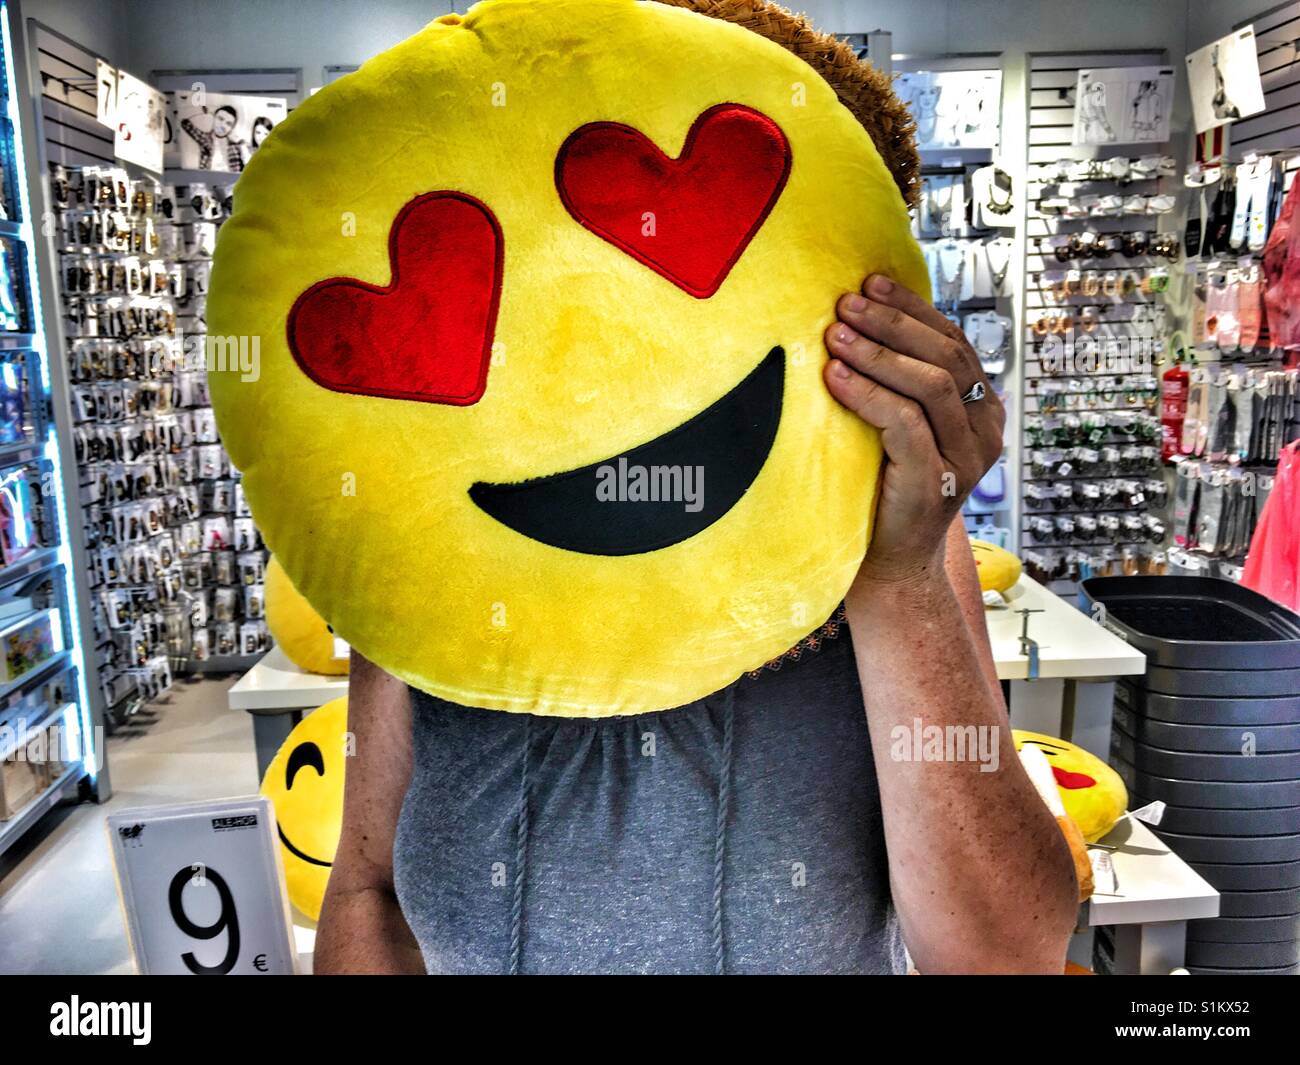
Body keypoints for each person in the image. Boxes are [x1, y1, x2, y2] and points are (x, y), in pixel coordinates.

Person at [315, 0, 1078, 975]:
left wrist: (901, 578)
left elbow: (1003, 954)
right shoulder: (432, 555)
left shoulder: (878, 534)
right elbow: (367, 887)